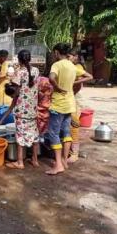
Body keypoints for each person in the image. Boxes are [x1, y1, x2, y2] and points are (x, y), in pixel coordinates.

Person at [0, 49, 40, 169]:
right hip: (33, 108)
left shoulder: (19, 73)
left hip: (21, 109)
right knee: (34, 134)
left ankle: (20, 162)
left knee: (20, 136)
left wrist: (10, 87)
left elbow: (16, 91)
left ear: (19, 60)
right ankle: (35, 160)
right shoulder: (36, 70)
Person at [45, 43, 77, 175]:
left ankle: (58, 165)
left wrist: (57, 88)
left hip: (58, 104)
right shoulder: (72, 65)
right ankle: (64, 160)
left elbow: (51, 78)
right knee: (66, 132)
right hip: (70, 103)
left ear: (57, 52)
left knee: (53, 133)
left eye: (54, 53)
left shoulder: (57, 65)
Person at [67, 48, 93, 163]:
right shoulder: (69, 67)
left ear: (76, 57)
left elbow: (87, 77)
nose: (69, 58)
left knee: (74, 125)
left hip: (75, 100)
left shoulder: (77, 68)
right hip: (69, 99)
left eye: (70, 56)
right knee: (67, 126)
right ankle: (69, 151)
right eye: (67, 56)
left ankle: (75, 153)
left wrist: (73, 83)